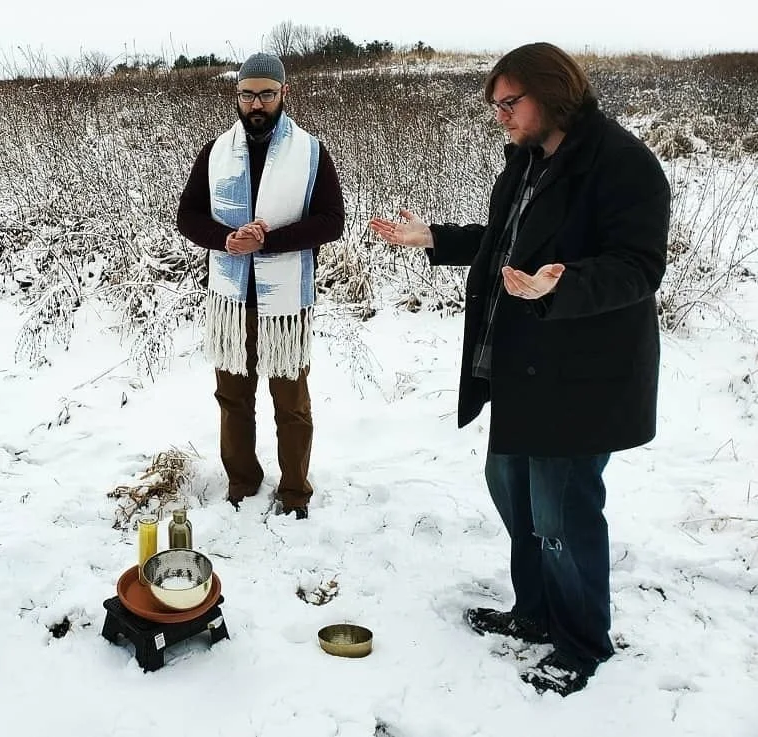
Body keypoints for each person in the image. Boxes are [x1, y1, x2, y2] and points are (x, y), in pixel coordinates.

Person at [370, 42, 669, 696]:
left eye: (510, 102)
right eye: (495, 106)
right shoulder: (527, 161)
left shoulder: (620, 162)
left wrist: (563, 284)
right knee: (510, 488)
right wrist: (434, 239)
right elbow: (503, 241)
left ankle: (581, 641)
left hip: (580, 374)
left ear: (551, 89)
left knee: (561, 513)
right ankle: (533, 613)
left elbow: (638, 265)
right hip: (521, 365)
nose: (500, 117)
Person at [177, 53, 344, 519]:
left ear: (283, 94)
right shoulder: (215, 152)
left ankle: (295, 492)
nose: (257, 103)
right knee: (233, 399)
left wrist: (267, 241)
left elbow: (332, 221)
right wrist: (226, 240)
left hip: (286, 304)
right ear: (237, 95)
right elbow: (187, 216)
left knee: (290, 403)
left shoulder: (310, 152)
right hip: (231, 303)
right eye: (248, 93)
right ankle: (243, 483)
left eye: (267, 94)